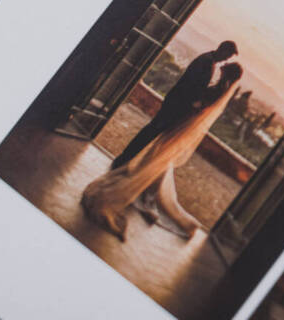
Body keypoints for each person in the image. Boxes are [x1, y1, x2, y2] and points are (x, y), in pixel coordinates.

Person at [82, 62, 243, 240]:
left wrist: (189, 104)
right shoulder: (221, 88)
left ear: (228, 73)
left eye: (225, 68)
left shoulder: (219, 88)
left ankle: (147, 185)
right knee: (160, 155)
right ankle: (150, 186)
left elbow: (199, 105)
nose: (222, 67)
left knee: (160, 154)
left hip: (182, 123)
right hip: (183, 123)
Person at [110, 39, 238, 169]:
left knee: (152, 131)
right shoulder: (206, 61)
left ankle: (126, 159)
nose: (226, 59)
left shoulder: (209, 61)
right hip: (176, 104)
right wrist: (195, 103)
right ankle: (124, 159)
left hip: (178, 104)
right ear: (222, 49)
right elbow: (190, 86)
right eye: (227, 55)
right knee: (151, 131)